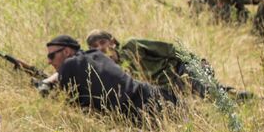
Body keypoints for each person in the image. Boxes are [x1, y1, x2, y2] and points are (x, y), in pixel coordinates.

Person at [35, 35, 176, 121]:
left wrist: (44, 83)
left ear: (66, 51)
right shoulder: (94, 55)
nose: (49, 61)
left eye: (51, 56)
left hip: (145, 108)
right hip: (159, 95)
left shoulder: (70, 65)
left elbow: (59, 100)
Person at [84, 30, 247, 99]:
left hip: (181, 70)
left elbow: (169, 50)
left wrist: (196, 62)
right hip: (168, 90)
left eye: (103, 42)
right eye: (95, 47)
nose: (101, 48)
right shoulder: (111, 71)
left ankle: (247, 98)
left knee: (211, 94)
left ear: (112, 41)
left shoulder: (131, 46)